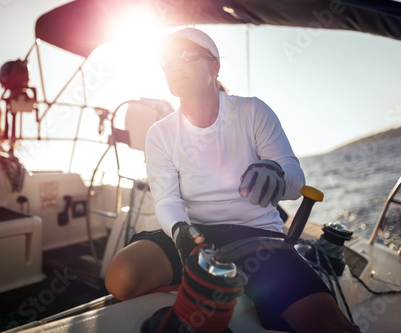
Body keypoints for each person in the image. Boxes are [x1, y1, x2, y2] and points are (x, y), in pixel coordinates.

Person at [105, 27, 360, 333]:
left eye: (186, 56)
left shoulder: (252, 111)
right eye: (168, 61)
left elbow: (294, 177)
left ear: (215, 66)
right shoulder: (160, 134)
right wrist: (179, 232)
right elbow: (167, 199)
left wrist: (276, 174)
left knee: (329, 326)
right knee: (122, 276)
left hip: (260, 239)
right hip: (192, 235)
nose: (175, 65)